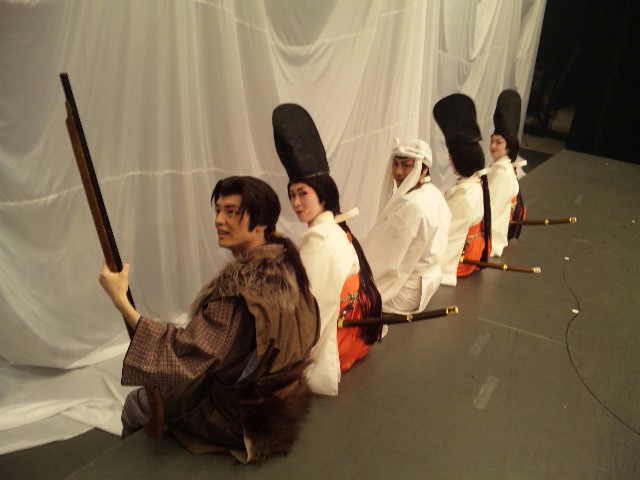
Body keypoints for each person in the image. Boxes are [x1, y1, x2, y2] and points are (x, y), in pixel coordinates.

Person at [98, 176, 320, 463]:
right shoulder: (288, 264)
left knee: (137, 404)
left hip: (243, 413)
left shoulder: (240, 294)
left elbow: (181, 352)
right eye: (218, 210)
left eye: (231, 212)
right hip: (281, 397)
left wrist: (121, 302)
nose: (218, 220)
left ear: (261, 223)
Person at [272, 103, 382, 396]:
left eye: (303, 194)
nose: (296, 203)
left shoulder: (322, 246)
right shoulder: (335, 231)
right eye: (292, 195)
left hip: (338, 344)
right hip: (353, 338)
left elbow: (312, 318)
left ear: (322, 194)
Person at [361, 138, 451, 314]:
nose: (398, 172)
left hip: (406, 292)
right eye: (395, 164)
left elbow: (383, 258)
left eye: (406, 165)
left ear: (424, 169)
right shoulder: (433, 192)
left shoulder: (412, 206)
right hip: (427, 282)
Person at [433, 93, 492, 286]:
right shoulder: (474, 184)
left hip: (461, 258)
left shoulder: (464, 197)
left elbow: (450, 238)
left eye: (451, 155)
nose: (449, 159)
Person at [487, 89, 522, 256]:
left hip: (490, 238)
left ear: (508, 146)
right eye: (492, 141)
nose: (493, 146)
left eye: (498, 142)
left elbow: (489, 209)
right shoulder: (497, 167)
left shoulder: (503, 173)